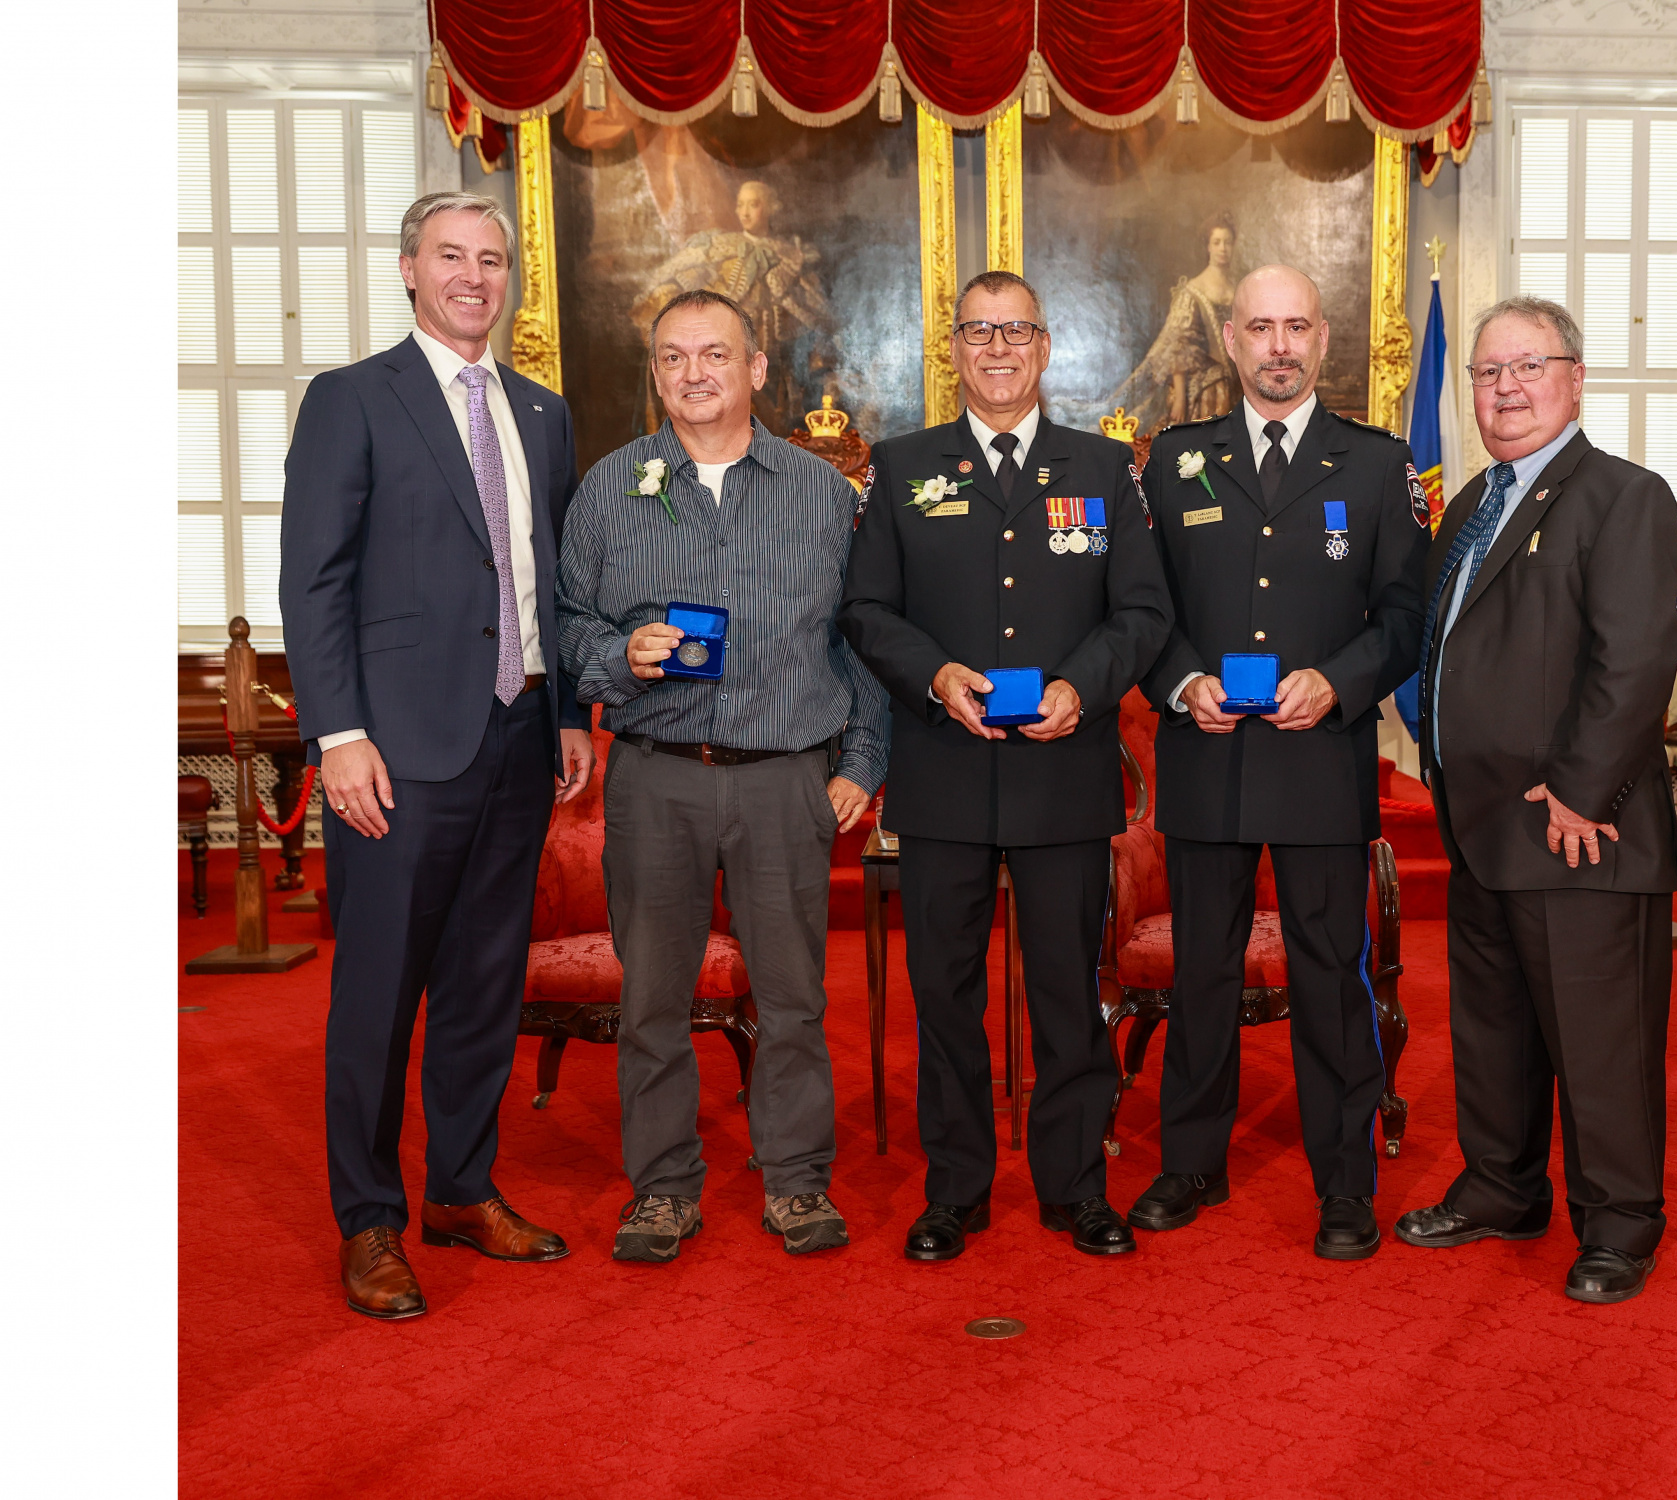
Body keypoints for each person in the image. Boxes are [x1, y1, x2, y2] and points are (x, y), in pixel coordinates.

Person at [280, 192, 595, 1321]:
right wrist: (339, 734)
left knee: (481, 984)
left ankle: (462, 1187)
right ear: (410, 270)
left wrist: (564, 712)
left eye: (492, 260)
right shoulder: (352, 400)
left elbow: (546, 579)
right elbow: (311, 581)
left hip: (515, 737)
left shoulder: (543, 413)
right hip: (395, 753)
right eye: (451, 257)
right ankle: (369, 1220)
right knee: (376, 993)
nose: (474, 277)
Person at [839, 270, 1171, 1261]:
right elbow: (865, 612)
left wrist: (1081, 684)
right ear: (953, 347)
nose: (997, 348)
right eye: (978, 331)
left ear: (1043, 345)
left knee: (1069, 990)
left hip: (1061, 773)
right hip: (942, 772)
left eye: (1014, 331)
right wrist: (932, 673)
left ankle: (1076, 1187)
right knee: (945, 997)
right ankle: (955, 1191)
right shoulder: (899, 467)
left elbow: (1143, 613)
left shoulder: (1104, 470)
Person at [557, 288, 889, 1264]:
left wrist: (862, 762)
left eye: (714, 355)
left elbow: (860, 640)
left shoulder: (821, 495)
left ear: (753, 370)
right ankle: (662, 1189)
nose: (693, 373)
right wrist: (622, 656)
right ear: (654, 373)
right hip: (655, 776)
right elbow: (569, 623)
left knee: (791, 1000)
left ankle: (794, 1182)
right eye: (672, 357)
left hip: (785, 777)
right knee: (651, 999)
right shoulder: (609, 489)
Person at [1392, 296, 1677, 1305]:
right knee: (1493, 1029)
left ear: (1573, 378)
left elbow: (1635, 660)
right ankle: (1501, 1188)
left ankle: (1618, 1225)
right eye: (1486, 373)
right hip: (1478, 823)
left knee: (1599, 1043)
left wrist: (1575, 790)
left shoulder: (1620, 497)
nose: (1504, 388)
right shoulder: (1476, 503)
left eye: (1527, 367)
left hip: (1578, 829)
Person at [1130, 264, 1428, 1259]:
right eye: (1258, 327)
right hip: (1205, 757)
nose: (1277, 345)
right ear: (1228, 341)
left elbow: (1401, 617)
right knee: (1201, 975)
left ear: (1322, 338)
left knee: (1328, 978)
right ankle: (1189, 1164)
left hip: (1320, 760)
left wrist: (1337, 683)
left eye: (1294, 326)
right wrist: (1179, 684)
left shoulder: (1375, 467)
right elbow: (1144, 613)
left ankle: (1344, 1184)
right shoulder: (1173, 463)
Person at [630, 181, 833, 435]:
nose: (746, 211)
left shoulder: (791, 254)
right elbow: (680, 274)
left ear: (771, 208)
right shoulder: (721, 247)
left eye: (754, 204)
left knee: (770, 426)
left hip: (773, 355)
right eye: (741, 205)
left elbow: (813, 310)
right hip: (723, 354)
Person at [1109, 213, 1240, 435]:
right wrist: (1179, 396)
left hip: (1235, 387)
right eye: (1216, 242)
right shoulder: (1193, 290)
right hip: (1202, 392)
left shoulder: (1238, 289)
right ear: (1207, 246)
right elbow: (1178, 347)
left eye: (1227, 242)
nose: (1222, 248)